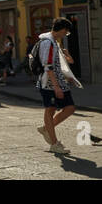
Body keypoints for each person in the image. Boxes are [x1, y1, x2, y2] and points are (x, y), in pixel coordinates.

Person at [35, 18, 81, 155]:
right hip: (49, 83)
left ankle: (46, 129)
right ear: (62, 30)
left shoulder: (54, 42)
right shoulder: (48, 43)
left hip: (59, 82)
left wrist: (67, 77)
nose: (65, 35)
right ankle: (54, 143)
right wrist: (56, 86)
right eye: (66, 32)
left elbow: (57, 64)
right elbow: (48, 66)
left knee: (69, 108)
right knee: (50, 109)